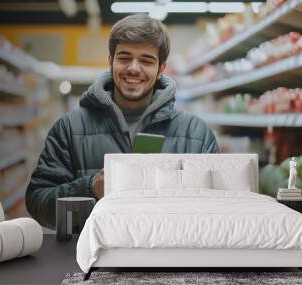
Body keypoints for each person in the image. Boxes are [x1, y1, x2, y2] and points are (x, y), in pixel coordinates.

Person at [26, 14, 219, 228]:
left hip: (169, 258)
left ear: (160, 70)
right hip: (91, 258)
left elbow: (218, 209)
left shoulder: (196, 134)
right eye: (124, 57)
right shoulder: (69, 129)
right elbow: (38, 203)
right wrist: (91, 189)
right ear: (110, 61)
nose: (134, 68)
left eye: (146, 60)